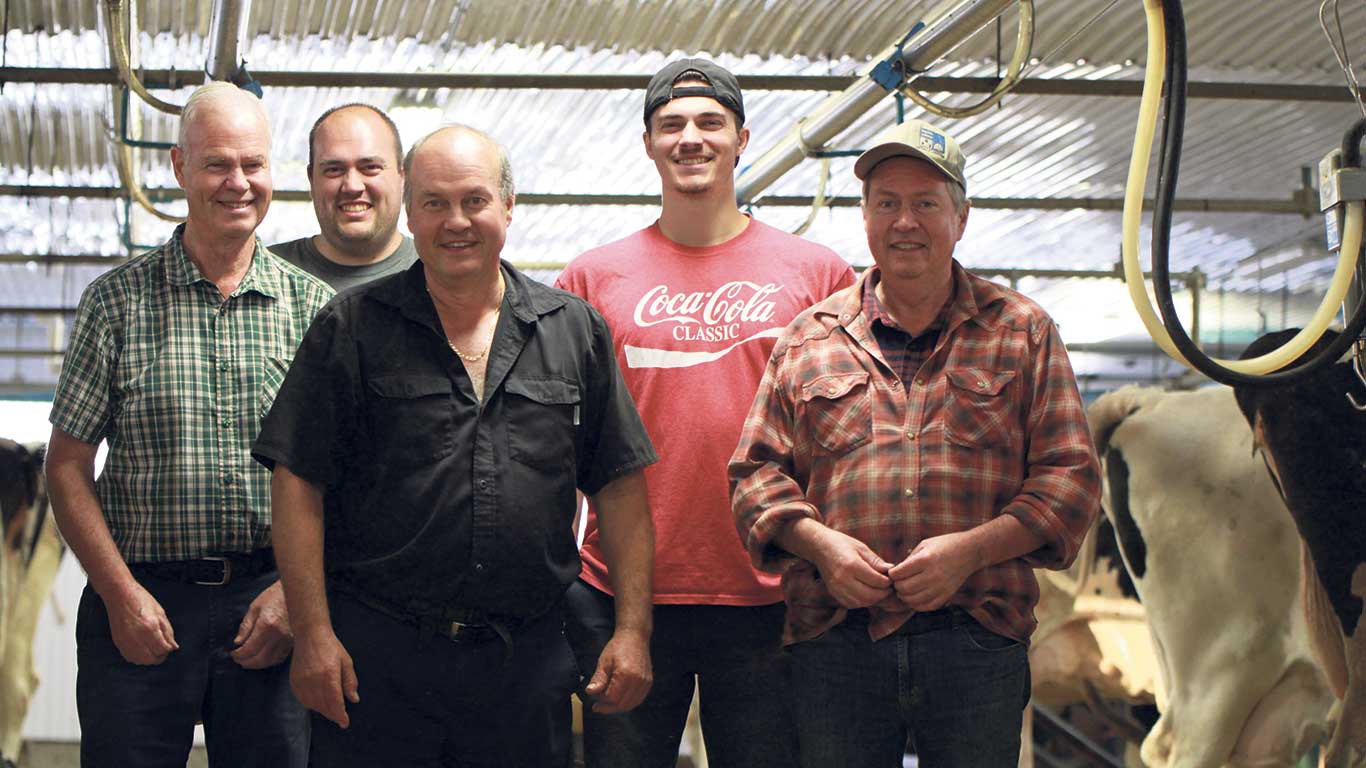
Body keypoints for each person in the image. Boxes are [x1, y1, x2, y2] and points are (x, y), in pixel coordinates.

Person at [252, 124, 658, 768]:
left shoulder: (573, 330)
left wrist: (633, 632)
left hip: (523, 664)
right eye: (435, 203)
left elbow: (620, 486)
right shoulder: (351, 327)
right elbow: (298, 482)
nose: (456, 222)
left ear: (508, 206)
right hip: (377, 660)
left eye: (474, 200)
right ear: (410, 212)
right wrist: (314, 634)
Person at [728, 119, 1102, 767]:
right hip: (835, 641)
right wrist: (823, 546)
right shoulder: (810, 337)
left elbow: (1070, 479)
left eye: (926, 203)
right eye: (887, 204)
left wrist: (970, 551)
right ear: (866, 218)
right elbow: (755, 475)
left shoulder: (1022, 331)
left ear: (961, 217)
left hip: (976, 636)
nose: (906, 221)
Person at [556, 57, 854, 767]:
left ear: (742, 139)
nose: (691, 138)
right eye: (672, 125)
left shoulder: (817, 274)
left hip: (771, 589)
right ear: (649, 144)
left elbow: (846, 438)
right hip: (621, 594)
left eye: (709, 123)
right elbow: (558, 440)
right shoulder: (592, 278)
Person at [44, 81, 334, 768]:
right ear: (179, 168)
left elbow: (349, 477)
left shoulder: (315, 308)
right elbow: (65, 466)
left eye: (253, 164)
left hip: (271, 607)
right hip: (142, 605)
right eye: (217, 164)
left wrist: (295, 599)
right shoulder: (115, 303)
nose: (238, 182)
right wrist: (120, 596)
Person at [270, 103, 417, 291]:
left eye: (370, 167)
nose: (352, 186)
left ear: (401, 176)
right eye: (334, 170)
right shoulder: (265, 275)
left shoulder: (440, 273)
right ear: (311, 179)